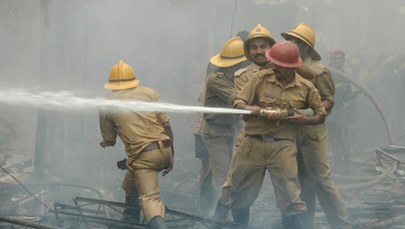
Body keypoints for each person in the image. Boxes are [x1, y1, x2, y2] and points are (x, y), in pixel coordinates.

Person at [212, 41, 327, 229]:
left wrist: (305, 119)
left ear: (291, 67)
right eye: (273, 63)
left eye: (279, 65)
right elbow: (239, 101)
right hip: (253, 144)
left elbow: (321, 114)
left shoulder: (305, 87)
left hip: (283, 147)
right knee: (233, 189)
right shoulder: (260, 79)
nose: (273, 66)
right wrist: (249, 108)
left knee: (290, 196)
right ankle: (216, 225)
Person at [282, 22, 351, 228]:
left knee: (321, 180)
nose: (292, 44)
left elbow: (329, 100)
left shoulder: (320, 72)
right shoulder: (286, 68)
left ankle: (341, 224)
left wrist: (309, 113)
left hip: (312, 132)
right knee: (301, 181)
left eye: (297, 41)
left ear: (307, 47)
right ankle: (306, 223)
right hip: (292, 132)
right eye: (290, 40)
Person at [99, 60, 174, 229]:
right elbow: (167, 126)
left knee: (150, 201)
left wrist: (105, 142)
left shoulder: (107, 102)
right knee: (130, 186)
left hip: (144, 157)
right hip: (164, 149)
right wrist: (171, 157)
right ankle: (129, 222)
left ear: (111, 84)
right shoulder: (149, 93)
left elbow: (110, 140)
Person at [199, 36, 247, 217]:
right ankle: (214, 217)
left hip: (227, 130)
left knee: (218, 173)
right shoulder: (216, 79)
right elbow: (237, 99)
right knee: (223, 176)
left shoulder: (235, 77)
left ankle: (206, 208)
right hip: (214, 132)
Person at [327, 50, 359, 173]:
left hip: (341, 110)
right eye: (335, 59)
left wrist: (355, 94)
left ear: (343, 61)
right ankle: (337, 163)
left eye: (340, 59)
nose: (337, 61)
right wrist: (336, 88)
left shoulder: (346, 75)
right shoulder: (326, 73)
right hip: (329, 109)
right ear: (331, 60)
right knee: (334, 138)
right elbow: (320, 92)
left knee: (345, 138)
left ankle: (345, 164)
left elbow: (348, 96)